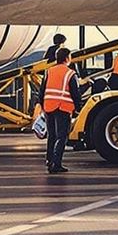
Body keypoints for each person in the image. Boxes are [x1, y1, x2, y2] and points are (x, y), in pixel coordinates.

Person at [40, 46, 84, 174]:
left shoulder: (49, 71)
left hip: (49, 106)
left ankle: (49, 161)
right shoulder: (70, 73)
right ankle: (56, 164)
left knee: (51, 136)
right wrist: (78, 108)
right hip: (63, 107)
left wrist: (41, 105)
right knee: (62, 137)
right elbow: (76, 93)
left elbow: (42, 90)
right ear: (67, 58)